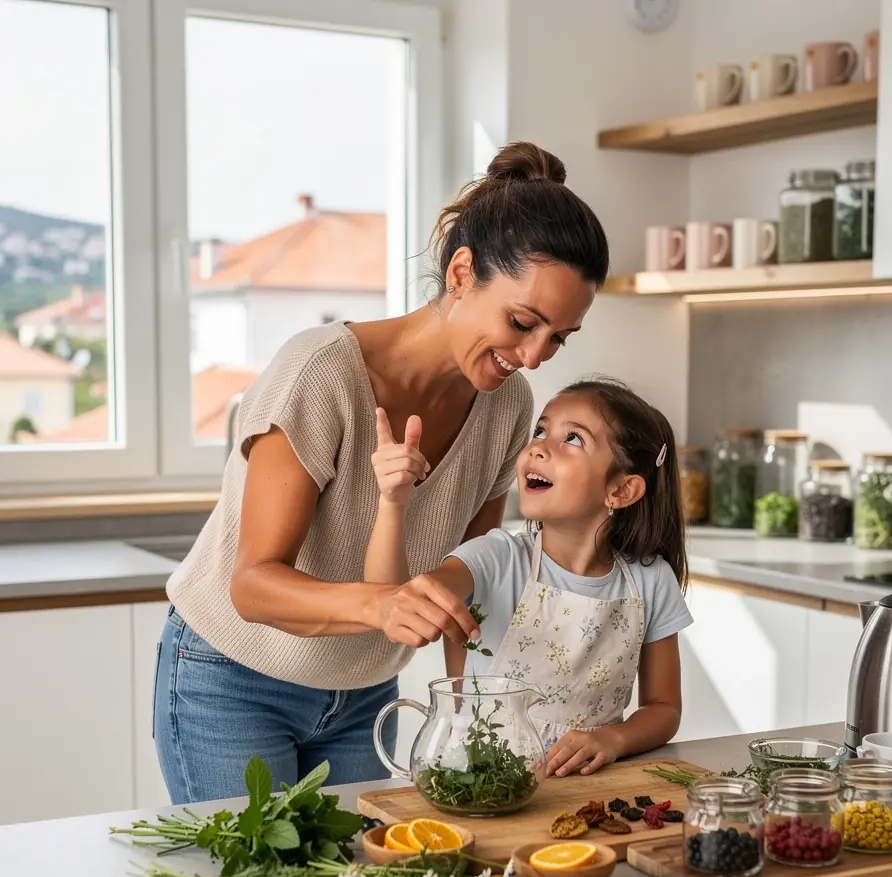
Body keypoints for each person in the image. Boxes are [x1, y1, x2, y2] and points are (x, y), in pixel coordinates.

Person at [154, 141, 609, 802]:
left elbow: (467, 577)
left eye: (557, 338)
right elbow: (252, 585)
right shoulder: (321, 373)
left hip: (364, 697)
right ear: (461, 273)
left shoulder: (508, 405)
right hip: (233, 681)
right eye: (522, 323)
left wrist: (484, 715)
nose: (535, 356)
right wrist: (383, 603)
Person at [366, 377, 692, 777]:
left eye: (572, 439)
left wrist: (613, 739)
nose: (538, 446)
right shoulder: (496, 558)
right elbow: (394, 602)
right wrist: (392, 502)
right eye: (541, 429)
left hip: (591, 789)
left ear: (621, 490)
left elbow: (664, 708)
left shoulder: (650, 580)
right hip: (479, 784)